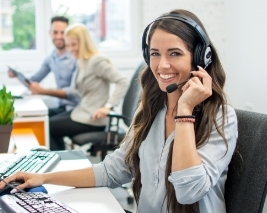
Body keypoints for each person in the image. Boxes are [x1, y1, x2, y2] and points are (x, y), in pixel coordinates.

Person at [0, 9, 237, 213]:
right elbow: (113, 171)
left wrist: (185, 111)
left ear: (200, 58)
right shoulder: (151, 111)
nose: (162, 65)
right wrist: (43, 178)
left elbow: (188, 193)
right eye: (155, 54)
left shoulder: (221, 117)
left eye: (174, 53)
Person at [24, 23, 129, 151]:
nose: (70, 49)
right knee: (46, 122)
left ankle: (59, 164)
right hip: (82, 112)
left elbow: (122, 81)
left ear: (84, 43)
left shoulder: (97, 61)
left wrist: (108, 107)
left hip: (93, 118)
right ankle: (61, 160)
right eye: (68, 45)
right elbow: (75, 90)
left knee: (48, 127)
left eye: (74, 44)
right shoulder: (82, 61)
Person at [8, 16, 77, 116]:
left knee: (46, 124)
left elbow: (74, 92)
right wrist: (17, 76)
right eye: (55, 32)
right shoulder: (51, 58)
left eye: (63, 32)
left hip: (74, 109)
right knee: (31, 118)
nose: (59, 36)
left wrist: (44, 91)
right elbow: (33, 81)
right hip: (61, 107)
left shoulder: (75, 57)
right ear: (50, 33)